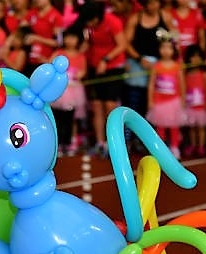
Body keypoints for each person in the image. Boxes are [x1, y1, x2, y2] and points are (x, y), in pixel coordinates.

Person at [77, 0, 127, 156]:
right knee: (96, 106)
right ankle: (100, 143)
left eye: (90, 20)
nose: (89, 23)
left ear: (97, 17)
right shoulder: (89, 26)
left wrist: (106, 60)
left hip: (113, 68)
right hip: (95, 67)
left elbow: (122, 45)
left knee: (110, 106)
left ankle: (113, 143)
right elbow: (89, 42)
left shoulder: (112, 21)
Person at [123, 0, 175, 147]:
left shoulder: (165, 16)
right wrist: (139, 59)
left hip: (159, 66)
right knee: (133, 102)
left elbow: (174, 39)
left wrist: (166, 60)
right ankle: (127, 140)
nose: (153, 6)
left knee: (152, 105)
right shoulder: (135, 19)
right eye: (150, 3)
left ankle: (149, 142)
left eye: (155, 3)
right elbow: (126, 43)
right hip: (138, 65)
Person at [146, 30, 185, 159]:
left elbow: (182, 84)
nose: (166, 51)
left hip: (173, 102)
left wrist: (183, 100)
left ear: (174, 50)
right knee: (160, 127)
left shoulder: (177, 66)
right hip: (159, 102)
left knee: (174, 126)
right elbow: (151, 84)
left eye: (169, 48)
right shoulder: (156, 66)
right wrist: (150, 100)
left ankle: (174, 147)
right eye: (163, 47)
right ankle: (160, 149)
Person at [50, 28, 88, 156]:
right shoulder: (58, 53)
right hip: (60, 91)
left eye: (73, 37)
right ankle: (59, 143)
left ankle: (71, 142)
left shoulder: (80, 56)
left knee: (72, 118)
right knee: (58, 117)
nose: (70, 40)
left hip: (74, 91)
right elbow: (50, 65)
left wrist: (78, 74)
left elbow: (83, 71)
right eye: (68, 37)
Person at [183, 44, 206, 157]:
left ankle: (201, 146)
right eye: (193, 56)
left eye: (198, 56)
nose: (195, 59)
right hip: (190, 105)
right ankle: (192, 145)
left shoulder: (204, 73)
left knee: (201, 127)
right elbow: (184, 88)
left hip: (201, 105)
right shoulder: (186, 73)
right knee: (191, 127)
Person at [22, 0, 65, 75]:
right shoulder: (32, 13)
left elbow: (58, 42)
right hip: (29, 58)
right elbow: (20, 30)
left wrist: (37, 38)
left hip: (45, 60)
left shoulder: (56, 16)